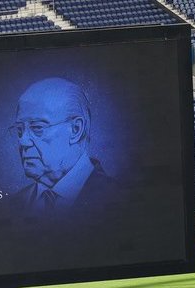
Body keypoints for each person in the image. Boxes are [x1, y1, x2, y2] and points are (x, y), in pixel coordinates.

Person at [8, 78, 116, 214]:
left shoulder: (120, 199)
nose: (23, 141)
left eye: (37, 127)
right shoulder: (11, 205)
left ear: (76, 129)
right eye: (19, 130)